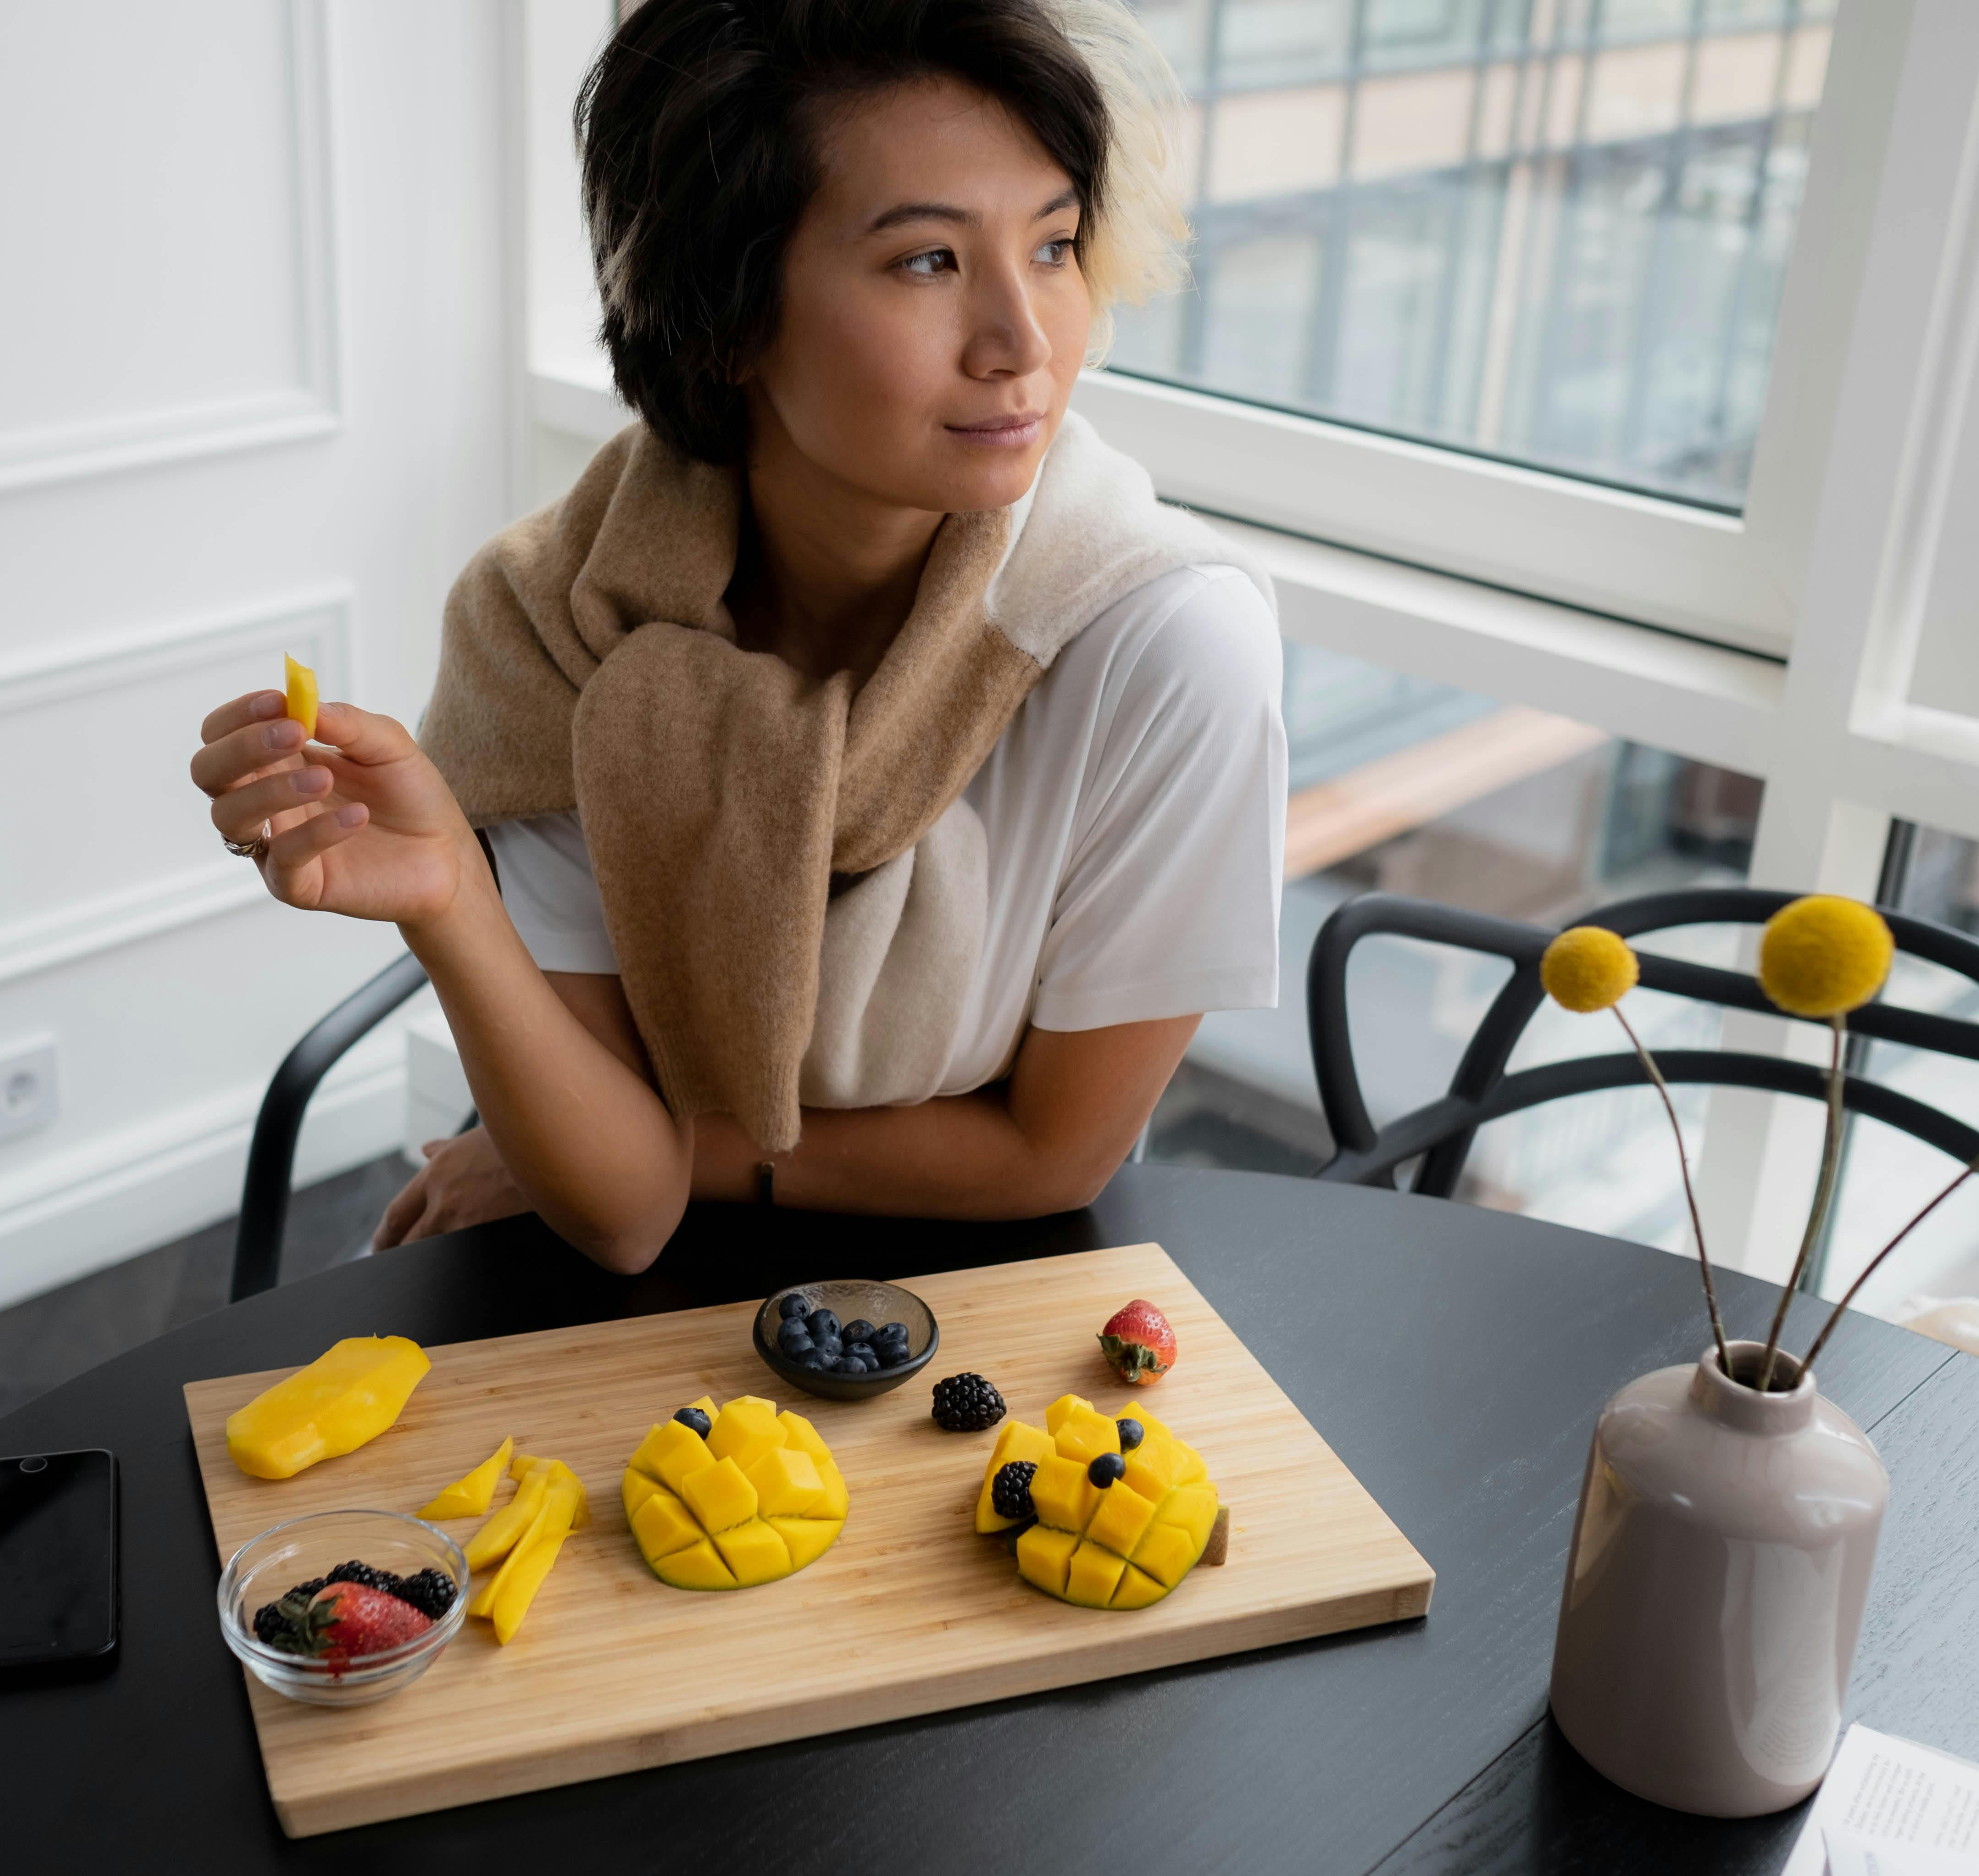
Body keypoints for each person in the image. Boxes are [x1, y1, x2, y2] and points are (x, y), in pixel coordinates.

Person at [190, 0, 1286, 1274]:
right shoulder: (549, 626)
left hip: (995, 1291)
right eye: (927, 261)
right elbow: (619, 1214)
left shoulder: (1161, 640)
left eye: (1052, 245)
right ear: (725, 313)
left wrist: (677, 1146)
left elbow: (1051, 1159)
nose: (1023, 341)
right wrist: (449, 900)